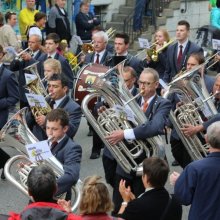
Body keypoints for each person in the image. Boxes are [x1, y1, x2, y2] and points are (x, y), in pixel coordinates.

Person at [105, 68, 172, 214]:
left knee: (143, 207)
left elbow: (155, 127)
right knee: (118, 205)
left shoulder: (163, 103)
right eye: (141, 82)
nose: (142, 86)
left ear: (156, 85)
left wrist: (125, 133)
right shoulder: (130, 97)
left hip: (148, 162)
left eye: (147, 83)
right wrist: (106, 113)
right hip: (126, 160)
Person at [168, 52, 215, 168]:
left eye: (192, 64)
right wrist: (180, 106)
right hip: (181, 131)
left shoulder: (211, 82)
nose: (189, 67)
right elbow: (173, 102)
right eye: (188, 64)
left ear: (201, 66)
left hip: (201, 131)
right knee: (180, 157)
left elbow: (211, 107)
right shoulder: (181, 81)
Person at [170, 121, 220, 220]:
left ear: (206, 139)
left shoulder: (194, 168)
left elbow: (183, 199)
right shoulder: (194, 169)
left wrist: (178, 183)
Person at [8, 164, 82, 220]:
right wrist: (69, 214)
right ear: (56, 189)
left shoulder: (18, 217)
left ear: (29, 192)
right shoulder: (70, 218)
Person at [117, 157, 182, 220]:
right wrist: (135, 200)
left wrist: (125, 201)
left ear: (146, 178)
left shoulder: (136, 206)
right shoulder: (176, 201)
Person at [26, 73, 82, 140]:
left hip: (56, 146)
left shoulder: (74, 107)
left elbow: (71, 132)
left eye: (55, 86)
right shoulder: (45, 100)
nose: (50, 89)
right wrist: (33, 110)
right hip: (38, 142)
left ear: (64, 89)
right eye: (49, 86)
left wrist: (47, 121)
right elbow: (28, 123)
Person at [46, 108, 82, 199]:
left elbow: (71, 176)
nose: (49, 133)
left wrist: (44, 190)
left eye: (54, 129)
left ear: (65, 128)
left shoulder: (72, 148)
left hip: (56, 196)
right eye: (47, 128)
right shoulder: (45, 142)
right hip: (40, 194)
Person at [0, 44, 19, 180]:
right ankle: (5, 160)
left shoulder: (8, 75)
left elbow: (14, 97)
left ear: (1, 55)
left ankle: (5, 160)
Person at [10, 34, 45, 109]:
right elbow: (12, 68)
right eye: (29, 42)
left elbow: (40, 69)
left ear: (39, 44)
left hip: (35, 93)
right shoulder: (25, 54)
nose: (30, 44)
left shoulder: (43, 56)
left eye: (33, 42)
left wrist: (30, 59)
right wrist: (16, 58)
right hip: (23, 93)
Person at [144, 28, 170, 94]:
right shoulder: (154, 48)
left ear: (165, 38)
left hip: (163, 80)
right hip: (154, 79)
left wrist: (160, 52)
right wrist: (149, 61)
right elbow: (153, 66)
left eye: (160, 36)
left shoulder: (169, 49)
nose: (157, 38)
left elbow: (167, 65)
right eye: (156, 36)